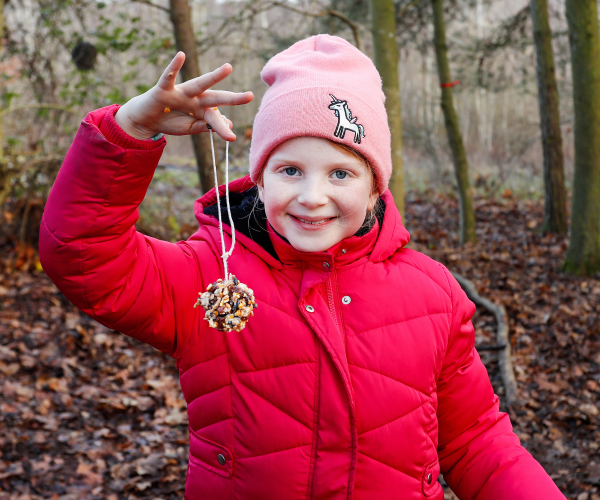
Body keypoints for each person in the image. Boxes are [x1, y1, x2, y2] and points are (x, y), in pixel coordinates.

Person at [40, 35, 565, 499]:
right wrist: (129, 129)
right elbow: (84, 253)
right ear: (260, 179)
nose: (313, 197)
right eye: (290, 169)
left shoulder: (433, 295)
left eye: (341, 173)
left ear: (375, 186)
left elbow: (477, 442)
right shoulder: (208, 278)